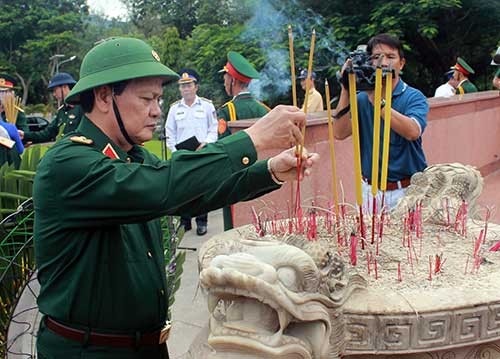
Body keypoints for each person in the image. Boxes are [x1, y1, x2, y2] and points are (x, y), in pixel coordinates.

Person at [33, 37, 318, 359]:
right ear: (103, 96)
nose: (157, 111)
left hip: (146, 345)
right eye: (146, 99)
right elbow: (164, 186)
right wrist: (252, 139)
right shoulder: (68, 163)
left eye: (159, 99)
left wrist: (270, 171)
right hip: (89, 351)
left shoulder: (133, 157)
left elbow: (191, 196)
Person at [334, 33, 429, 211]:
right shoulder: (362, 99)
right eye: (376, 57)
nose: (383, 62)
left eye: (390, 57)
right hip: (370, 190)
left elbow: (413, 131)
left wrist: (378, 101)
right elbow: (339, 133)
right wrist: (346, 87)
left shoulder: (413, 96)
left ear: (401, 63)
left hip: (407, 190)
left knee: (408, 239)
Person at [217, 51, 271, 230]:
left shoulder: (227, 111)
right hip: (263, 177)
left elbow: (223, 148)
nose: (224, 82)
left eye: (225, 77)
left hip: (237, 182)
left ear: (233, 80)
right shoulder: (264, 110)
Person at [165, 68, 218, 235]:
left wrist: (207, 143)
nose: (185, 89)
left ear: (196, 87)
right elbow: (169, 132)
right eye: (182, 86)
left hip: (201, 152)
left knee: (202, 188)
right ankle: (185, 221)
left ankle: (202, 221)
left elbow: (213, 128)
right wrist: (174, 151)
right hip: (182, 155)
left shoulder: (207, 106)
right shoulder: (174, 109)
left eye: (189, 85)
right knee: (184, 188)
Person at [21, 72, 83, 143]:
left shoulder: (82, 108)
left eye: (55, 90)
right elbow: (47, 133)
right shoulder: (61, 111)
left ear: (64, 87)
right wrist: (25, 135)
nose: (54, 94)